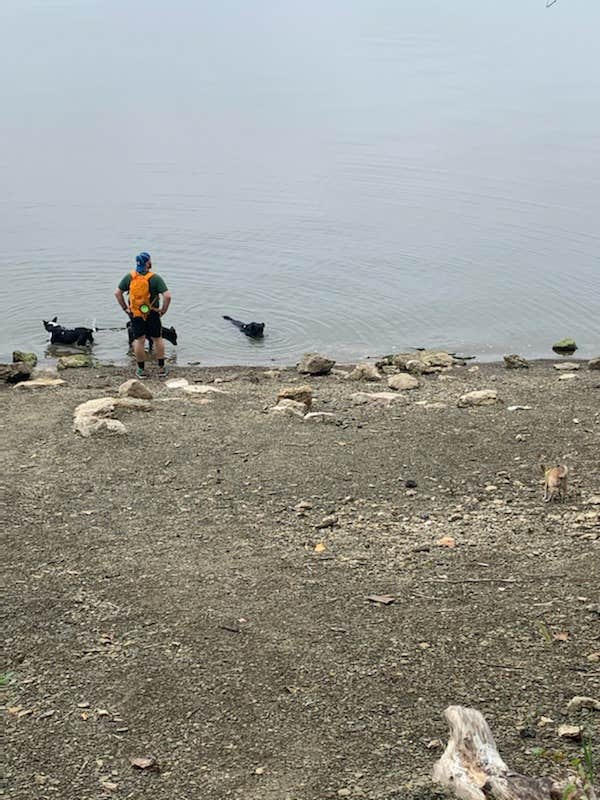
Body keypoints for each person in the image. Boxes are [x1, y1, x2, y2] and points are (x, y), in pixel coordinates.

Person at [114, 252, 172, 378]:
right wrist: (163, 310)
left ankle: (141, 370)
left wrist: (125, 308)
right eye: (150, 261)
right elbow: (167, 296)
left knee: (139, 340)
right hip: (152, 312)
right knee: (157, 339)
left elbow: (117, 293)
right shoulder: (155, 278)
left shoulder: (130, 277)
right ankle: (161, 368)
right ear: (147, 263)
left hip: (135, 313)